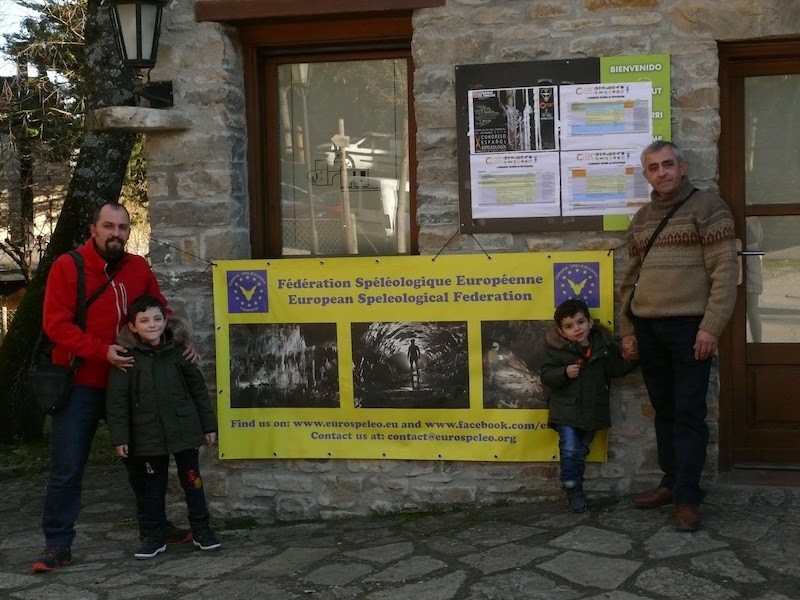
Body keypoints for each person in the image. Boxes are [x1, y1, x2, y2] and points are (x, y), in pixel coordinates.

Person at [32, 202, 197, 573]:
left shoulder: (138, 267)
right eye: (108, 226)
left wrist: (178, 338)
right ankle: (57, 543)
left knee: (144, 463)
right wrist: (101, 351)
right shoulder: (68, 266)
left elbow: (159, 311)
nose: (116, 234)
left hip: (132, 383)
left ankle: (154, 529)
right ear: (94, 229)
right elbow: (55, 326)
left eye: (122, 227)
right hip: (80, 384)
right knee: (67, 467)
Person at [619, 140, 738, 532]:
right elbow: (629, 280)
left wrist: (711, 326)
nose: (662, 173)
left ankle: (688, 498)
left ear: (683, 167)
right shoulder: (640, 220)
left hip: (690, 329)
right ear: (646, 174)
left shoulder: (708, 208)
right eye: (653, 167)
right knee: (665, 412)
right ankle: (670, 483)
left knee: (688, 415)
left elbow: (725, 271)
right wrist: (628, 328)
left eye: (668, 164)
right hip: (649, 329)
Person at [106, 294, 220, 559]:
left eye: (157, 318)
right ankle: (154, 536)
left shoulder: (179, 353)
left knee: (193, 481)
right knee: (152, 489)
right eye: (144, 320)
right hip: (147, 437)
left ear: (165, 321)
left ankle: (202, 529)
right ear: (133, 327)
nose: (152, 324)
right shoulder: (126, 359)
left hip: (184, 431)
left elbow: (199, 392)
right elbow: (117, 403)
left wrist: (208, 426)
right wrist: (120, 437)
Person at [540, 299, 637, 512]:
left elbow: (616, 369)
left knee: (581, 450)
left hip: (593, 410)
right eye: (569, 326)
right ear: (561, 331)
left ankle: (577, 487)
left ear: (590, 322)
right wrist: (564, 373)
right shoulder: (557, 351)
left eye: (580, 322)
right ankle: (571, 487)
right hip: (566, 411)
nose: (577, 329)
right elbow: (546, 375)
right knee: (570, 448)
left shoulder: (602, 347)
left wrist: (632, 358)